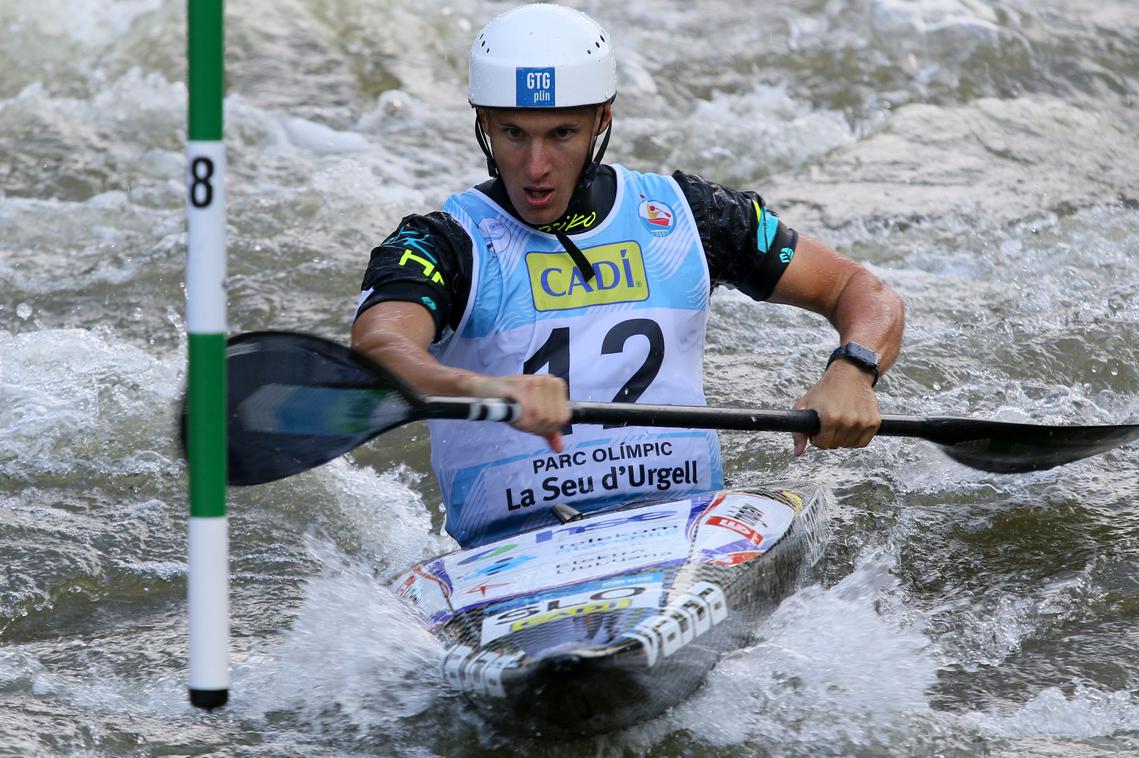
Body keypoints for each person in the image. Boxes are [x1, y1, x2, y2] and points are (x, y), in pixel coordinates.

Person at [351, 4, 904, 548]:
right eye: (513, 134)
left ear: (602, 120)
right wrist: (483, 388)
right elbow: (380, 347)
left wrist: (852, 371)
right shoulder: (444, 243)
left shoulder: (690, 216)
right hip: (507, 553)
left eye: (562, 134)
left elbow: (858, 290)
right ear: (483, 125)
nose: (536, 165)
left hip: (684, 535)